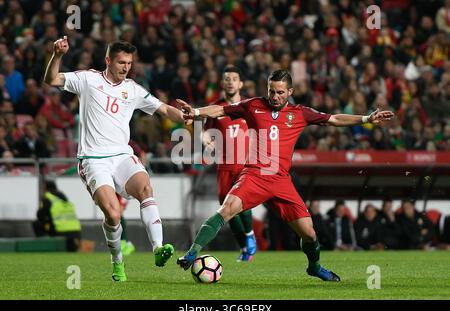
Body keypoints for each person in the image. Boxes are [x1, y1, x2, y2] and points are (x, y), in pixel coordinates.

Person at [177, 69, 394, 281]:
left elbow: (334, 119)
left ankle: (315, 267)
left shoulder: (300, 113)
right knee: (225, 210)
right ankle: (191, 253)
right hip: (254, 175)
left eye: (280, 92)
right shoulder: (252, 105)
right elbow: (221, 110)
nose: (274, 96)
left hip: (281, 181)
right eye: (272, 91)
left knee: (309, 234)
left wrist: (366, 118)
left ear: (290, 91)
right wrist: (195, 112)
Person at [44, 37, 191, 281]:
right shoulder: (88, 79)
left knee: (145, 187)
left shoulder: (132, 89)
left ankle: (158, 248)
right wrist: (57, 55)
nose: (126, 68)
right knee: (112, 215)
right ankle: (117, 262)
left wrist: (191, 115)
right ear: (108, 60)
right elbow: (52, 80)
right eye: (121, 62)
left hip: (122, 155)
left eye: (129, 64)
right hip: (93, 159)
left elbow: (163, 109)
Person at [202, 66, 257, 262]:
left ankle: (250, 235)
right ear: (222, 83)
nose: (230, 82)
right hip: (224, 165)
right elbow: (206, 131)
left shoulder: (249, 106)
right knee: (226, 209)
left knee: (241, 202)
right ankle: (244, 248)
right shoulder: (216, 107)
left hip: (245, 164)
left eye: (234, 78)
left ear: (240, 83)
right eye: (227, 79)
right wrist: (207, 142)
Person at [33, 180, 81, 252]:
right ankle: (73, 247)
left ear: (45, 188)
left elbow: (40, 215)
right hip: (76, 231)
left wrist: (47, 220)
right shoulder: (65, 199)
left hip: (60, 231)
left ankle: (44, 247)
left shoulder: (48, 198)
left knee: (37, 223)